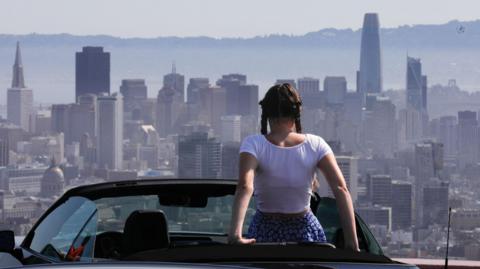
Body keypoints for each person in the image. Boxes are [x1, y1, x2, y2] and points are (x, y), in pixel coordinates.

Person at [228, 83, 359, 251]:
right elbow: (341, 188)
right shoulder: (315, 144)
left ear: (266, 112)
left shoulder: (254, 143)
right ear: (297, 112)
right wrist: (352, 244)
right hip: (305, 234)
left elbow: (245, 186)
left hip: (265, 233)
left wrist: (235, 235)